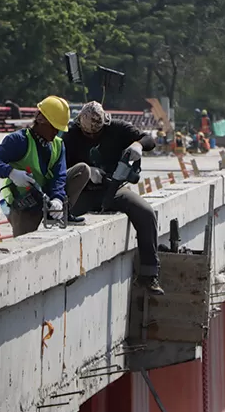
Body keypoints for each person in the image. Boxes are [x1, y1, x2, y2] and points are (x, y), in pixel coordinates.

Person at [62, 101, 164, 295]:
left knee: (146, 213)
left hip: (115, 188)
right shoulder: (72, 135)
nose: (92, 136)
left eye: (96, 133)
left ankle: (149, 274)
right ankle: (69, 273)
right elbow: (61, 167)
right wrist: (86, 171)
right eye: (88, 134)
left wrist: (138, 145)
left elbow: (149, 139)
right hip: (83, 191)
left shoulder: (117, 128)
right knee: (68, 225)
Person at [0, 96, 90, 236]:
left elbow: (59, 175)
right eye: (53, 127)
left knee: (82, 171)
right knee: (23, 245)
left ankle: (57, 213)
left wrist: (57, 198)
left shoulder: (58, 145)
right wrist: (11, 172)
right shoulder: (19, 140)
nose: (56, 132)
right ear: (40, 120)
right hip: (24, 203)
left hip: (46, 196)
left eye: (59, 129)